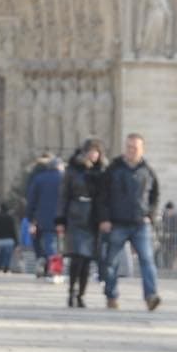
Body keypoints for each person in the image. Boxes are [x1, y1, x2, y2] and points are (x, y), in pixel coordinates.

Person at [96, 132, 161, 311]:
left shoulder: (147, 171)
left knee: (147, 260)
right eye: (129, 147)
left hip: (140, 223)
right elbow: (102, 196)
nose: (131, 151)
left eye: (135, 148)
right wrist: (104, 219)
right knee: (111, 262)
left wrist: (151, 215)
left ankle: (151, 296)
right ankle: (111, 295)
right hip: (116, 223)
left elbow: (155, 196)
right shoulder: (113, 169)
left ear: (142, 149)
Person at [57, 137, 105, 307]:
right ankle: (71, 291)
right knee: (76, 257)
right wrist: (60, 219)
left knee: (86, 259)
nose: (93, 155)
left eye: (96, 152)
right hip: (75, 215)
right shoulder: (73, 170)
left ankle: (81, 294)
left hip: (92, 217)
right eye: (91, 151)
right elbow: (64, 195)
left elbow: (103, 195)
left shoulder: (100, 172)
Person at [25, 152, 63, 279]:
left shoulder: (39, 179)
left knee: (43, 241)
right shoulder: (64, 178)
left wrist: (30, 217)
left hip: (41, 217)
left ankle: (42, 259)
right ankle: (53, 268)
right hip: (61, 218)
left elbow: (31, 200)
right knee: (54, 244)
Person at [0, 202, 18, 273]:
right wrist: (16, 241)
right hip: (9, 240)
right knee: (7, 256)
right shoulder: (10, 218)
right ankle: (6, 267)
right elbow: (13, 231)